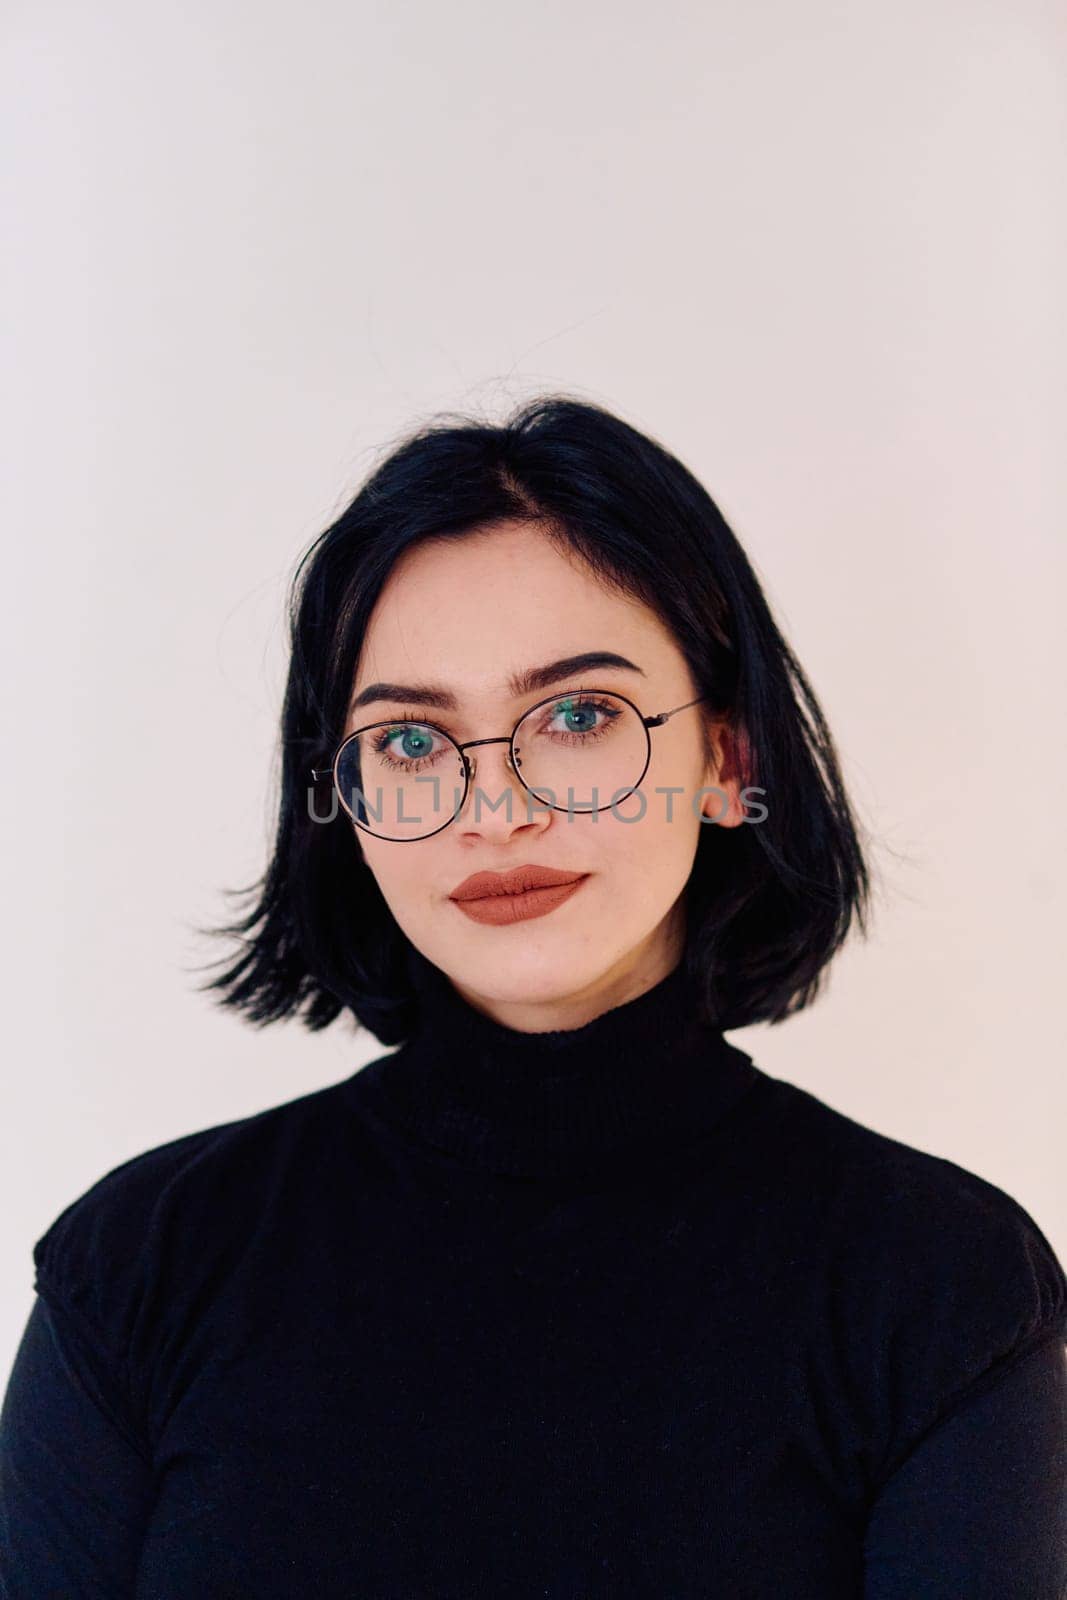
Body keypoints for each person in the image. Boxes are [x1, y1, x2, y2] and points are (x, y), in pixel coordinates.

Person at [1, 395, 1064, 1597]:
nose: (494, 809)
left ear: (728, 758)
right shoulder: (140, 1263)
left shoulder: (935, 1287)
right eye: (409, 740)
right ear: (343, 800)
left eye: (575, 716)